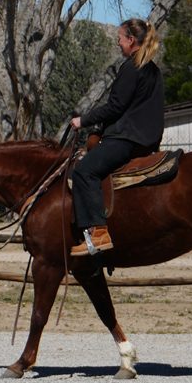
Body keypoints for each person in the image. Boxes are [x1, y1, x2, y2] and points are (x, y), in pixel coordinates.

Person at [67, 17, 165, 257]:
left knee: (84, 170)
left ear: (131, 40)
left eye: (119, 39)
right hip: (146, 139)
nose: (118, 43)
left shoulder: (132, 68)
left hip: (126, 138)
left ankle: (99, 233)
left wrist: (83, 121)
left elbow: (115, 107)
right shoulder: (152, 69)